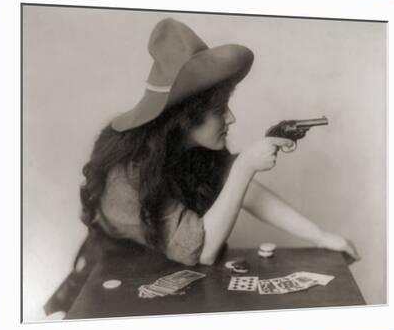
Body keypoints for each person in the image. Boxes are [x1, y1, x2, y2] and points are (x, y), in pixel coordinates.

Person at [79, 17, 360, 267]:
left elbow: (248, 193)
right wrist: (246, 165)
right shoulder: (126, 174)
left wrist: (321, 236)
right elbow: (202, 253)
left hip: (171, 277)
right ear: (184, 118)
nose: (231, 118)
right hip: (115, 279)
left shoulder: (187, 149)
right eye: (218, 110)